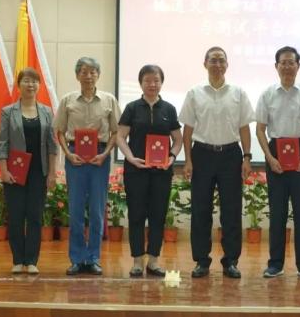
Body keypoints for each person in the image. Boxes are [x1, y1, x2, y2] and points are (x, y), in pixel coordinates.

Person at [179, 46, 255, 279]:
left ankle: (230, 261)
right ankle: (202, 261)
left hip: (231, 155)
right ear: (205, 64)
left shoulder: (238, 93)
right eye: (213, 60)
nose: (218, 64)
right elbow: (187, 131)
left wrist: (247, 157)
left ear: (227, 65)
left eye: (222, 60)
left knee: (231, 211)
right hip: (202, 155)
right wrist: (188, 160)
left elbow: (244, 128)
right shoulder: (194, 93)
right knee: (200, 210)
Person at [255, 46, 300, 279]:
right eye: (283, 63)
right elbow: (260, 129)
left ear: (298, 66)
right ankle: (275, 264)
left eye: (291, 62)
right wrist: (269, 157)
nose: (287, 66)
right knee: (278, 212)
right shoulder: (267, 94)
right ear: (276, 66)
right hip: (276, 154)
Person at [54, 57, 121, 276]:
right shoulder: (67, 100)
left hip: (100, 158)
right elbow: (59, 131)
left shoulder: (109, 100)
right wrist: (68, 154)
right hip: (75, 157)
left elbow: (116, 132)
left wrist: (105, 154)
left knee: (97, 211)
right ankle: (76, 258)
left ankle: (93, 258)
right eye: (84, 72)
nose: (88, 76)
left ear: (98, 75)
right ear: (77, 75)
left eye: (93, 72)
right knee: (75, 210)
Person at [116, 65, 183, 278]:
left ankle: (153, 260)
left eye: (156, 80)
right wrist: (130, 157)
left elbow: (178, 139)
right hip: (136, 171)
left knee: (158, 215)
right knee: (136, 215)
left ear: (161, 83)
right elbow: (120, 136)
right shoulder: (132, 108)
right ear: (141, 83)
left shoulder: (169, 109)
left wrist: (172, 157)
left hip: (161, 172)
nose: (152, 84)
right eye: (147, 80)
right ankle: (137, 261)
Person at [0, 67, 57, 275]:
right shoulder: (8, 112)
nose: (30, 85)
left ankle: (31, 260)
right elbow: (2, 143)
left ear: (39, 85)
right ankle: (17, 260)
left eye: (34, 81)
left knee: (35, 216)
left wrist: (52, 173)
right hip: (15, 171)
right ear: (19, 85)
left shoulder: (47, 111)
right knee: (15, 216)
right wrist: (4, 170)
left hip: (39, 171)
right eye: (26, 81)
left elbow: (52, 145)